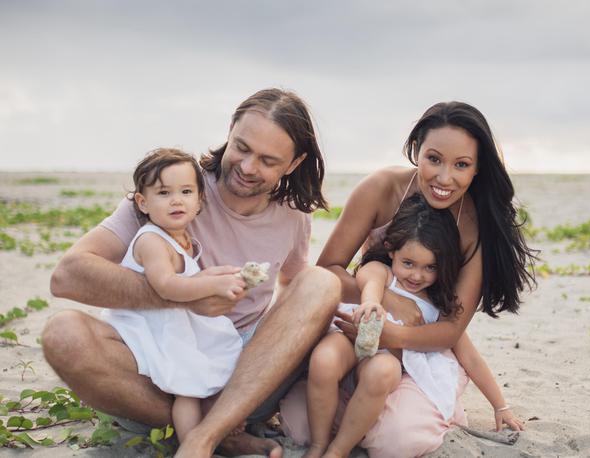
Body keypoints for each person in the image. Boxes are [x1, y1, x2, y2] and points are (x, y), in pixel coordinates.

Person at [43, 88, 341, 458]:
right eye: (242, 148)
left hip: (240, 380)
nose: (248, 168)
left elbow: (294, 289)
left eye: (267, 160)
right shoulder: (174, 187)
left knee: (322, 282)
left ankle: (202, 436)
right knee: (64, 334)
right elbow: (67, 276)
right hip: (156, 375)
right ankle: (220, 433)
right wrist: (184, 294)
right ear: (230, 130)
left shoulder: (294, 215)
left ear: (294, 163)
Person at [281, 101, 536, 457]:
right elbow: (327, 274)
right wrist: (387, 298)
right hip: (361, 329)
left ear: (477, 169)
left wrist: (392, 336)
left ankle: (396, 416)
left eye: (461, 165)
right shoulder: (383, 188)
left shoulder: (477, 227)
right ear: (417, 151)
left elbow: (450, 331)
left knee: (397, 440)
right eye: (434, 159)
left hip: (422, 348)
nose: (445, 178)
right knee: (300, 421)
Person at [300, 193, 523, 458]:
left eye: (430, 267)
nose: (417, 275)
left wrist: (500, 406)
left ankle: (337, 450)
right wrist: (372, 303)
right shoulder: (383, 273)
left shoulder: (437, 305)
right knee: (324, 360)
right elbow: (367, 281)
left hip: (387, 356)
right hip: (352, 336)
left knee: (382, 371)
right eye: (408, 263)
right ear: (391, 250)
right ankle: (318, 444)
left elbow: (470, 358)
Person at [101, 148, 248, 443]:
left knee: (222, 359)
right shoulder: (152, 240)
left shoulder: (180, 238)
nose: (176, 200)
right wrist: (212, 286)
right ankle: (193, 441)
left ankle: (220, 418)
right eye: (164, 193)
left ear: (199, 200)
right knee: (187, 389)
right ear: (143, 203)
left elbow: (188, 280)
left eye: (185, 191)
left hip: (174, 322)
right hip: (152, 328)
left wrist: (217, 277)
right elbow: (165, 286)